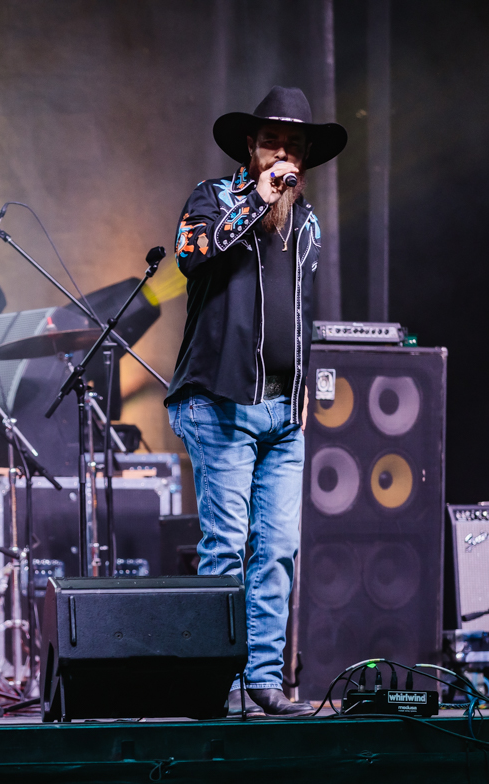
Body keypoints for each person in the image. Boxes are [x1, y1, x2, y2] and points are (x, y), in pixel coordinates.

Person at [165, 86, 347, 718]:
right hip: (220, 406)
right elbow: (193, 257)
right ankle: (220, 683)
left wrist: (300, 395)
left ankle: (265, 679)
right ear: (251, 148)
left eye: (294, 146)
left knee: (277, 548)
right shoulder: (213, 198)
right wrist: (258, 201)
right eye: (273, 143)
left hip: (282, 414)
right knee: (226, 547)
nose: (283, 155)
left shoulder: (309, 223)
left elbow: (295, 314)